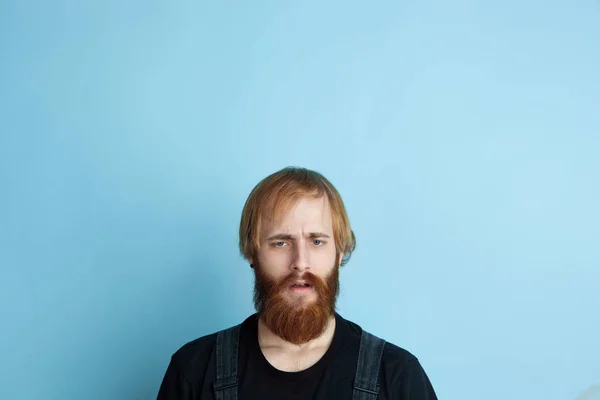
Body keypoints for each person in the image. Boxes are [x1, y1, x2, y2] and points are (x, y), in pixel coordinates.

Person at [157, 167, 437, 399]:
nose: (300, 262)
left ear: (339, 253)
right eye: (281, 242)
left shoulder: (399, 377)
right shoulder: (194, 371)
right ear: (252, 253)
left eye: (317, 241)